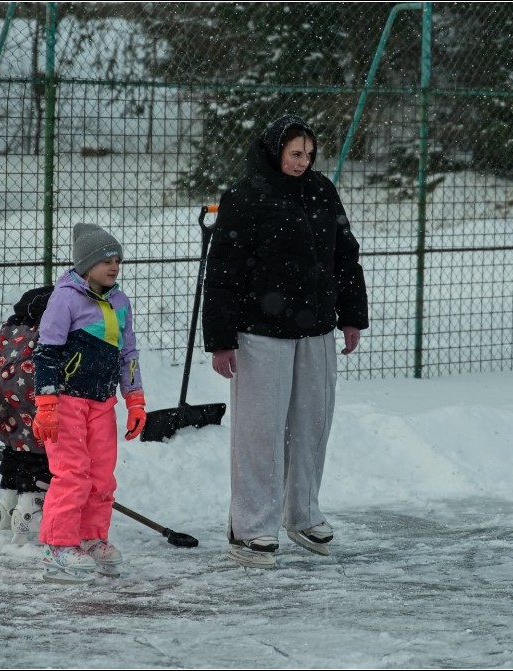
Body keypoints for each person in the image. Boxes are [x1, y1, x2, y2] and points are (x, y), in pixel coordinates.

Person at [202, 114, 369, 569]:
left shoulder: (322, 191)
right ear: (275, 150)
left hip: (316, 329)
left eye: (309, 155)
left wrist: (352, 317)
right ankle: (250, 527)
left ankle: (303, 514)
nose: (302, 162)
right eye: (295, 153)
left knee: (313, 423)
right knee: (261, 431)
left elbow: (345, 256)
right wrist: (221, 340)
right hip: (260, 333)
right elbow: (223, 272)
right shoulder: (244, 196)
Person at [31, 224, 147, 582]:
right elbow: (46, 352)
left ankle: (91, 537)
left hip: (102, 402)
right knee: (72, 473)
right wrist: (46, 403)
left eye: (117, 261)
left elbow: (128, 353)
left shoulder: (120, 302)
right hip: (66, 400)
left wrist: (135, 400)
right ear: (85, 264)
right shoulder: (65, 299)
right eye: (106, 260)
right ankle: (58, 546)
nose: (114, 267)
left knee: (101, 476)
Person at [0, 286, 56, 545]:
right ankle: (29, 508)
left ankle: (7, 504)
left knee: (15, 447)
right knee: (38, 449)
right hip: (29, 393)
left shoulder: (4, 333)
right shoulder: (45, 332)